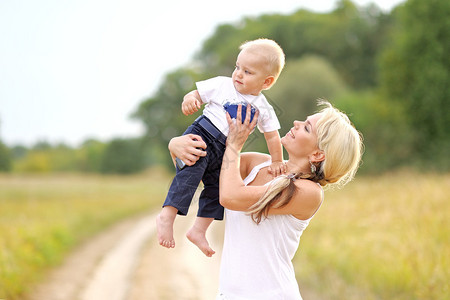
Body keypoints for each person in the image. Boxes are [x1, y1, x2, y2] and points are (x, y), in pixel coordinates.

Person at [168, 102, 363, 299]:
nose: (296, 123)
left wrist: (234, 145)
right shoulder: (257, 163)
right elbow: (199, 171)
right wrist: (175, 146)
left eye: (306, 127)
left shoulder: (309, 192)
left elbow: (230, 197)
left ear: (317, 154)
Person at [157, 38, 286, 257]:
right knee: (190, 173)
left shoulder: (264, 107)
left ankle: (199, 230)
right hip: (201, 135)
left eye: (247, 71)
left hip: (226, 151)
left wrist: (276, 161)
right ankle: (167, 215)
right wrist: (189, 99)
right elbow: (196, 94)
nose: (238, 74)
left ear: (266, 82)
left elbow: (273, 137)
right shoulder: (222, 84)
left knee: (218, 189)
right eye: (237, 67)